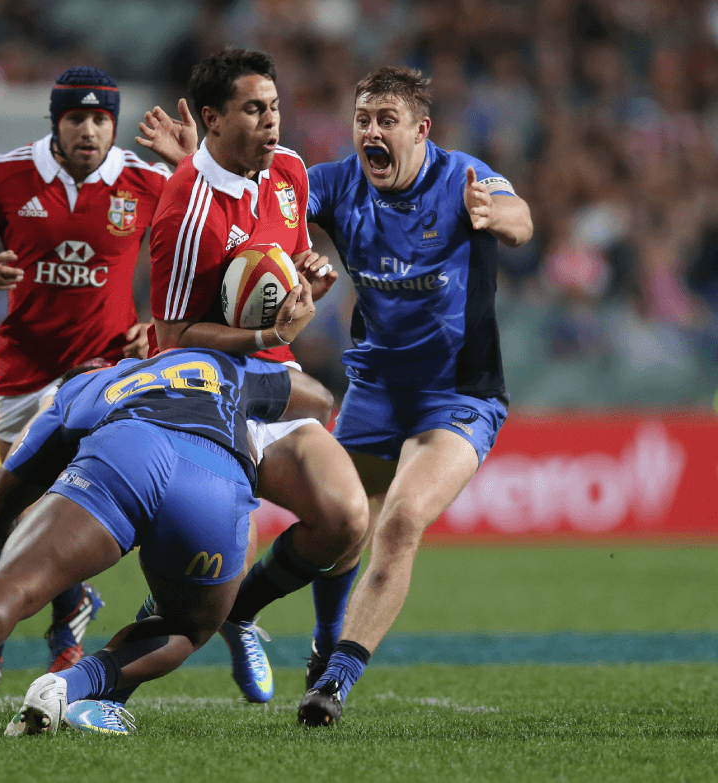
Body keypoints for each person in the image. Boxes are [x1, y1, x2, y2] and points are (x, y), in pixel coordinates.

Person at [0, 330, 337, 742]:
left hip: (126, 450)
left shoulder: (84, 388)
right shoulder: (215, 364)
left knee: (15, 585)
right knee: (188, 626)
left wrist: (6, 540)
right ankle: (68, 686)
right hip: (214, 477)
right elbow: (319, 397)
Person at [294, 65, 534, 726]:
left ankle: (334, 682)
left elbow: (521, 218)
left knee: (399, 522)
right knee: (340, 526)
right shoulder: (336, 182)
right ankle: (324, 640)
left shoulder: (463, 177)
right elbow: (262, 206)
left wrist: (497, 215)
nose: (372, 131)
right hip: (373, 384)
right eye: (364, 119)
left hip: (458, 393)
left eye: (387, 121)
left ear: (420, 130)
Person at [0, 66, 171, 702]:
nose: (89, 131)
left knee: (58, 508)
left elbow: (194, 263)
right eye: (76, 119)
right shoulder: (5, 173)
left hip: (101, 373)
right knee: (10, 517)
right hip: (23, 371)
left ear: (113, 125)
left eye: (101, 120)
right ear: (55, 124)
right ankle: (70, 611)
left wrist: (159, 330)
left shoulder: (148, 181)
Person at [137, 48, 368, 708]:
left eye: (274, 107)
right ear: (214, 118)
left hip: (276, 377)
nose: (272, 122)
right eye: (253, 110)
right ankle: (87, 685)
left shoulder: (291, 172)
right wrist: (268, 332)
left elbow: (283, 258)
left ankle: (317, 651)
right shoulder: (184, 209)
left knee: (349, 518)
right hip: (210, 394)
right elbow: (173, 336)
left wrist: (306, 276)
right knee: (201, 590)